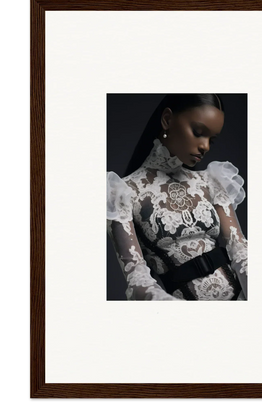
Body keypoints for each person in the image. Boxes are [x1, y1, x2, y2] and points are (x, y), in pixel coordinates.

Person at [106, 94, 248, 300]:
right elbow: (136, 276)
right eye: (198, 132)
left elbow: (239, 247)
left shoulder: (212, 181)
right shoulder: (123, 191)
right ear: (167, 120)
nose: (205, 146)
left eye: (212, 140)